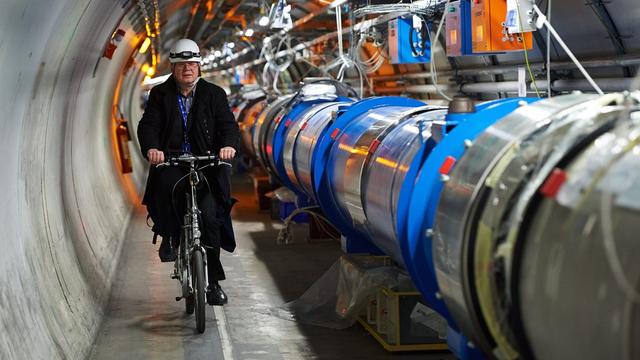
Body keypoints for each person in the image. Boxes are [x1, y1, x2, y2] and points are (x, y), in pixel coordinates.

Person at [137, 38, 240, 306]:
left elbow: (227, 125)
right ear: (173, 68)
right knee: (166, 192)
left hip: (205, 161)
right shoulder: (160, 95)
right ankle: (169, 235)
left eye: (193, 64)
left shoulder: (214, 94)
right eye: (182, 64)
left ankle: (214, 283)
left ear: (199, 67)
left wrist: (227, 145)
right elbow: (148, 125)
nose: (188, 69)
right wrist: (152, 148)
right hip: (172, 160)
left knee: (209, 218)